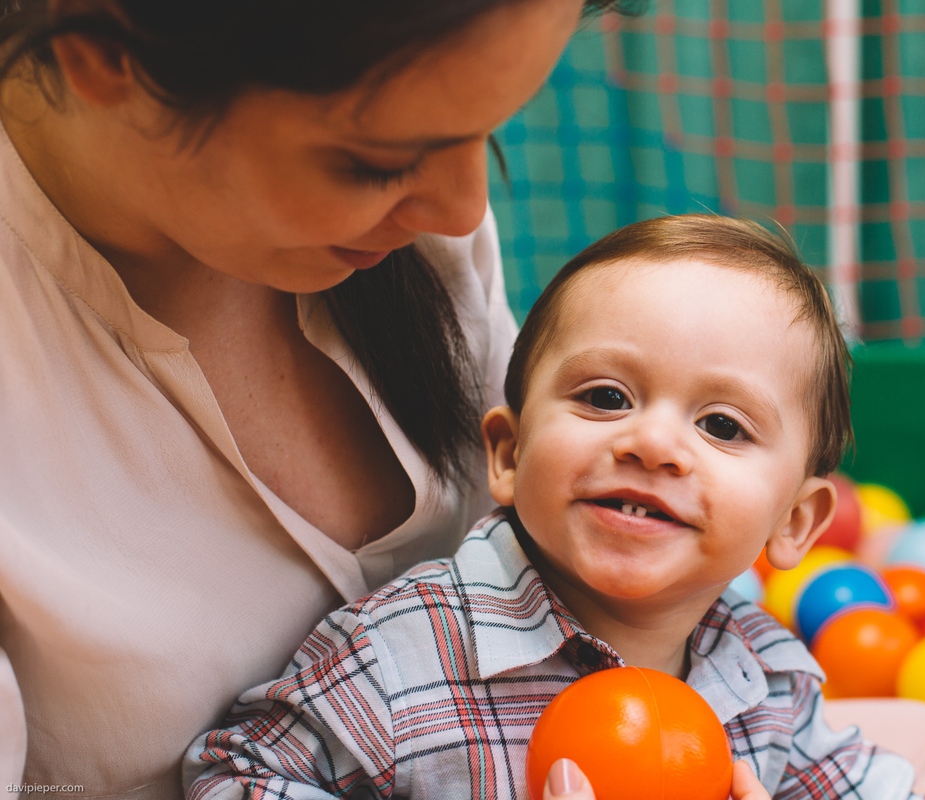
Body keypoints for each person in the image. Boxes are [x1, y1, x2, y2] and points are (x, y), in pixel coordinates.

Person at [0, 1, 626, 797]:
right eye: (375, 160)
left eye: (488, 127)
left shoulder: (408, 226)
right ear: (101, 48)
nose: (466, 210)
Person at [183, 215, 925, 800]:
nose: (654, 443)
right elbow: (241, 774)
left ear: (794, 523)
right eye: (606, 397)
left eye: (722, 425)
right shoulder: (407, 654)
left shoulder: (768, 678)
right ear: (507, 455)